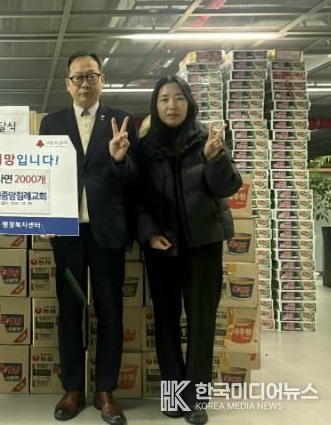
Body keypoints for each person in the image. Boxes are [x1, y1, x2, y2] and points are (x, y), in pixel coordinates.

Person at [136, 75, 242, 424]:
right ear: (155, 105)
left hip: (203, 244)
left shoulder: (206, 139)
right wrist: (150, 235)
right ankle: (173, 394)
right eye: (164, 99)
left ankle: (196, 399)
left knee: (201, 321)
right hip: (162, 247)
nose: (172, 106)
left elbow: (227, 187)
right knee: (165, 321)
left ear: (189, 103)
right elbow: (137, 199)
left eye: (179, 98)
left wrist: (214, 158)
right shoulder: (144, 148)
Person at [39, 51, 138, 425]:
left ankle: (105, 391)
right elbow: (42, 177)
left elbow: (133, 180)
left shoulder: (121, 121)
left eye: (91, 76)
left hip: (107, 232)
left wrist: (118, 159)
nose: (84, 83)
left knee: (110, 309)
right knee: (69, 308)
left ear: (102, 80)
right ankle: (72, 389)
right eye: (78, 77)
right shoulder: (51, 123)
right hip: (67, 235)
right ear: (67, 84)